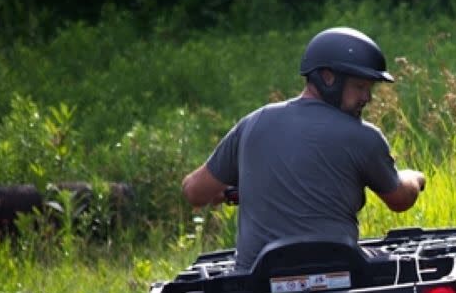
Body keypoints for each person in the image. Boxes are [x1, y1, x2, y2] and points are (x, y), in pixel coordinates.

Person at [181, 26, 426, 270]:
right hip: (339, 273)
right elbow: (400, 199)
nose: (367, 98)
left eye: (369, 89)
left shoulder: (254, 123)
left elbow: (194, 191)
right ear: (328, 78)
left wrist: (229, 188)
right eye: (360, 86)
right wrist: (415, 177)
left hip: (257, 284)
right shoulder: (364, 136)